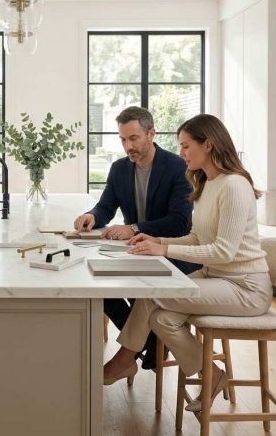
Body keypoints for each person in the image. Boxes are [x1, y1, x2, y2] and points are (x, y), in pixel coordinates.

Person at [102, 114, 271, 413]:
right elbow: (196, 237)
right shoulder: (208, 183)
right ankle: (212, 374)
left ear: (208, 145)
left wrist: (164, 250)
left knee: (153, 294)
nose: (180, 154)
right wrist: (157, 245)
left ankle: (123, 361)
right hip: (217, 280)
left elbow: (224, 252)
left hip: (246, 287)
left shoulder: (234, 186)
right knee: (161, 318)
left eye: (185, 146)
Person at [73, 106, 200, 369]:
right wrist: (92, 216)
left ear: (151, 134)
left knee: (144, 295)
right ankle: (149, 341)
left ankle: (135, 349)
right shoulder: (119, 168)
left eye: (133, 138)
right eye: (122, 139)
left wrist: (134, 228)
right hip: (136, 252)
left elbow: (179, 222)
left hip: (172, 254)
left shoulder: (178, 167)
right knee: (99, 290)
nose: (127, 146)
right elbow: (106, 206)